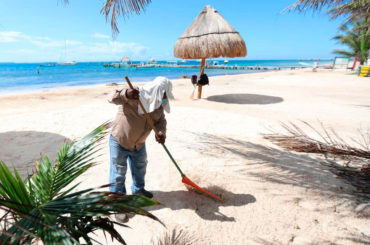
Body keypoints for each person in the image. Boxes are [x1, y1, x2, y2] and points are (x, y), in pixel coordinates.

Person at [107, 77, 174, 201]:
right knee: (118, 173)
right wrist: (126, 94)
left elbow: (161, 121)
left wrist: (161, 133)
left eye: (166, 94)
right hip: (120, 140)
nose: (165, 96)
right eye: (164, 93)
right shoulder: (136, 93)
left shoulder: (159, 104)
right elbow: (111, 97)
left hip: (139, 143)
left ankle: (138, 191)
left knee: (140, 168)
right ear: (158, 90)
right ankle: (117, 201)